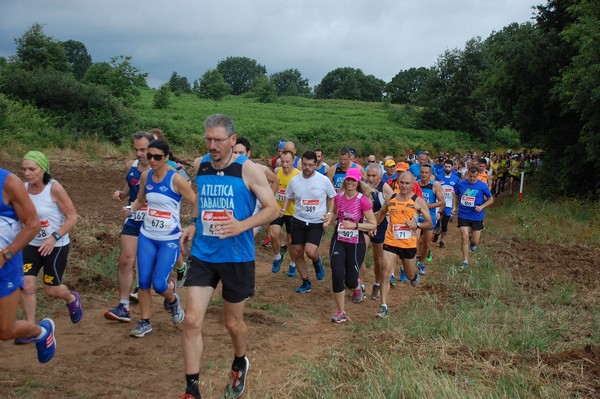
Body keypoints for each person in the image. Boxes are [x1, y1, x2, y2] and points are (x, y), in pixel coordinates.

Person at [180, 114, 278, 399]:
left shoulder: (248, 170)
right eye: (208, 139)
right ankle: (191, 388)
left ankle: (239, 360)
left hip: (237, 257)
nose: (212, 145)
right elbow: (201, 200)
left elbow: (272, 209)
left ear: (232, 140)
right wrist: (193, 224)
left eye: (218, 140)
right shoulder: (201, 165)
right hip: (203, 254)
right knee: (191, 320)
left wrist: (242, 225)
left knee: (232, 323)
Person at [124, 140, 196, 338]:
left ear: (166, 158)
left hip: (169, 239)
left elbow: (196, 201)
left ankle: (173, 300)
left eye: (157, 157)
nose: (152, 160)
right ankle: (145, 321)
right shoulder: (146, 176)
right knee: (144, 282)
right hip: (147, 235)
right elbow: (140, 199)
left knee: (159, 284)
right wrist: (131, 209)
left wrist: (192, 224)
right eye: (150, 156)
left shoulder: (176, 179)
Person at [18, 151, 82, 344]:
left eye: (32, 169)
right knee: (27, 285)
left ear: (43, 169)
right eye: (24, 169)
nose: (27, 173)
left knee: (51, 290)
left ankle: (71, 298)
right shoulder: (21, 188)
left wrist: (53, 238)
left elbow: (72, 218)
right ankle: (30, 328)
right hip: (30, 244)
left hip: (55, 245)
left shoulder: (54, 188)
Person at [0, 166, 56, 363]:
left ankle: (41, 331)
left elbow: (33, 224)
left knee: (5, 332)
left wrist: (5, 255)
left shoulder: (9, 183)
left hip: (5, 265)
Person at [105, 131, 154, 322]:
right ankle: (123, 306)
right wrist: (120, 194)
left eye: (143, 149)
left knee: (152, 267)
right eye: (136, 149)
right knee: (126, 259)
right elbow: (128, 189)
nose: (139, 154)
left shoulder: (162, 168)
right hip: (134, 218)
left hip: (155, 220)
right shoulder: (131, 166)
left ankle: (169, 290)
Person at [376, 171, 432, 319]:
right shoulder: (391, 198)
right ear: (397, 183)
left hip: (408, 244)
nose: (404, 186)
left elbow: (429, 222)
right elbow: (382, 213)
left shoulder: (418, 201)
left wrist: (417, 224)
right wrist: (374, 225)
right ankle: (383, 307)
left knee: (410, 274)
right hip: (391, 241)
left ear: (413, 184)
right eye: (402, 183)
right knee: (386, 272)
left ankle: (414, 277)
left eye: (407, 183)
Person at [324, 168, 376, 322]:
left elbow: (372, 224)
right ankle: (341, 312)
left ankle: (356, 287)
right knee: (337, 273)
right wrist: (328, 220)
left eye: (353, 180)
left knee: (350, 280)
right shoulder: (338, 198)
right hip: (338, 240)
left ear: (358, 182)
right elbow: (333, 213)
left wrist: (355, 226)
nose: (350, 183)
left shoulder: (363, 200)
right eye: (348, 179)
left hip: (355, 243)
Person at [282, 151, 336, 294]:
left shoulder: (323, 180)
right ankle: (306, 282)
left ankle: (317, 262)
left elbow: (333, 197)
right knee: (297, 252)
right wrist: (283, 209)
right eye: (304, 164)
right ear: (301, 163)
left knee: (310, 251)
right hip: (298, 220)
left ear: (316, 165)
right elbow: (288, 196)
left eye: (310, 165)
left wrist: (330, 214)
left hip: (316, 222)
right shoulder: (295, 180)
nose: (307, 167)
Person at [233, 137, 279, 238]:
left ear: (248, 153)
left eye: (241, 152)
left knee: (249, 236)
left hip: (254, 211)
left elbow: (275, 180)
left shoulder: (259, 168)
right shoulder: (227, 170)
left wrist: (267, 203)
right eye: (234, 152)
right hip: (236, 211)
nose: (237, 156)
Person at [362, 162, 394, 300]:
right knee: (360, 253)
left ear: (380, 176)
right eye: (368, 175)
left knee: (378, 258)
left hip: (380, 224)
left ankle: (377, 284)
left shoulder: (385, 188)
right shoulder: (362, 186)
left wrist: (376, 224)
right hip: (364, 222)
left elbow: (391, 207)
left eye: (373, 176)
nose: (370, 178)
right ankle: (361, 286)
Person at [455, 166, 494, 270]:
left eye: (474, 177)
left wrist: (481, 207)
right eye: (470, 176)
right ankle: (465, 261)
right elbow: (456, 195)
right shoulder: (461, 184)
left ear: (477, 175)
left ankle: (473, 243)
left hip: (477, 216)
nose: (472, 179)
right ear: (467, 174)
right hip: (463, 214)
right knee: (464, 237)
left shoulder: (482, 185)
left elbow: (491, 199)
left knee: (474, 242)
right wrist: (455, 207)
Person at [270, 151, 300, 276]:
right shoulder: (277, 172)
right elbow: (272, 187)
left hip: (292, 212)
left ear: (293, 161)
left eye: (288, 161)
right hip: (278, 209)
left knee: (291, 240)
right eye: (282, 161)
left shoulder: (298, 175)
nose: (285, 164)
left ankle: (293, 263)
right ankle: (278, 256)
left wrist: (290, 197)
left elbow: (301, 196)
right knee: (273, 234)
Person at [416, 164, 445, 275]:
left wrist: (428, 206)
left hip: (429, 217)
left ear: (431, 174)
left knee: (427, 243)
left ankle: (422, 264)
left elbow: (442, 202)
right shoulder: (415, 184)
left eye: (426, 172)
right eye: (422, 172)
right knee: (415, 241)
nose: (424, 174)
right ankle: (414, 260)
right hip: (417, 216)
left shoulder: (435, 185)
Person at [435, 159, 460, 248]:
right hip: (439, 203)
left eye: (449, 167)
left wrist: (454, 207)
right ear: (443, 167)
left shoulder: (456, 179)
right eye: (446, 166)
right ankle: (437, 231)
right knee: (437, 221)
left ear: (452, 167)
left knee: (445, 224)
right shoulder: (438, 177)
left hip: (449, 204)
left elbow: (455, 195)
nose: (447, 168)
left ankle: (442, 241)